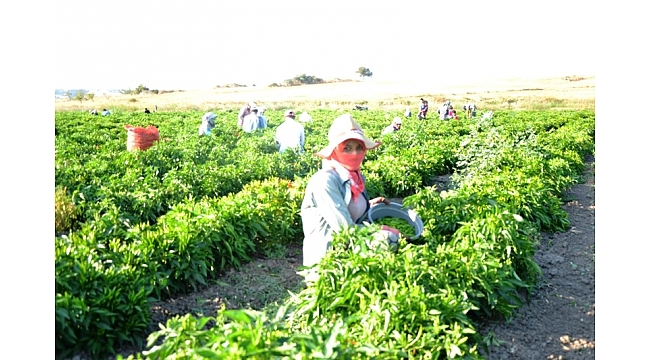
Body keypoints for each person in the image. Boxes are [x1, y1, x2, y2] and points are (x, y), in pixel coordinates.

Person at [300, 114, 403, 268]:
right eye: (346, 148)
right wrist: (385, 230)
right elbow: (345, 229)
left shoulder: (355, 177)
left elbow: (346, 208)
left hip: (349, 255)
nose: (354, 154)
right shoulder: (325, 181)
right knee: (388, 240)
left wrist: (368, 205)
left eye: (359, 148)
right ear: (334, 150)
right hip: (327, 262)